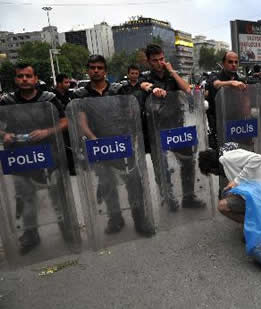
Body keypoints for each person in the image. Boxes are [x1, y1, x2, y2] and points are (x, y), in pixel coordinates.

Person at [74, 54, 155, 236]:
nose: (96, 71)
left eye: (99, 68)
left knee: (134, 183)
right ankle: (115, 219)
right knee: (107, 184)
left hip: (122, 144)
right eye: (92, 67)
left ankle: (140, 220)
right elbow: (81, 121)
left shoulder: (119, 90)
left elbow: (130, 113)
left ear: (105, 71)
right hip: (99, 146)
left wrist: (131, 136)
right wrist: (93, 139)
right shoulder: (81, 95)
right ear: (88, 70)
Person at [0, 62, 67, 254]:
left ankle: (66, 229)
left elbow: (65, 121)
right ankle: (30, 235)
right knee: (25, 198)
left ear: (36, 79)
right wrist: (4, 134)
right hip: (20, 158)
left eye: (28, 76)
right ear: (15, 79)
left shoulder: (49, 99)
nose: (24, 79)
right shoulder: (7, 102)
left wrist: (47, 131)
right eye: (20, 76)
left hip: (49, 156)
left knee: (59, 197)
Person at [140, 44, 204, 209]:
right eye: (155, 60)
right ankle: (168, 198)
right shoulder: (145, 77)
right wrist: (153, 89)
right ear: (148, 61)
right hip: (157, 129)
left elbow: (187, 89)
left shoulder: (171, 76)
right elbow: (144, 85)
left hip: (177, 126)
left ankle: (188, 197)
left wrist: (172, 71)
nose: (159, 63)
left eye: (161, 59)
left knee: (188, 162)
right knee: (162, 166)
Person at [198, 143, 261, 224]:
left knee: (222, 206)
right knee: (228, 194)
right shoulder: (227, 154)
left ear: (213, 169)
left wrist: (237, 181)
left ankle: (256, 225)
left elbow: (258, 158)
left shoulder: (228, 158)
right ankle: (258, 219)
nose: (216, 175)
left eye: (213, 173)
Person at [205, 51, 246, 149]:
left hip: (236, 123)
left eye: (236, 62)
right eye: (230, 62)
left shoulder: (240, 78)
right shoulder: (214, 75)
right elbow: (217, 84)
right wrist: (231, 83)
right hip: (218, 123)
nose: (234, 65)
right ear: (223, 63)